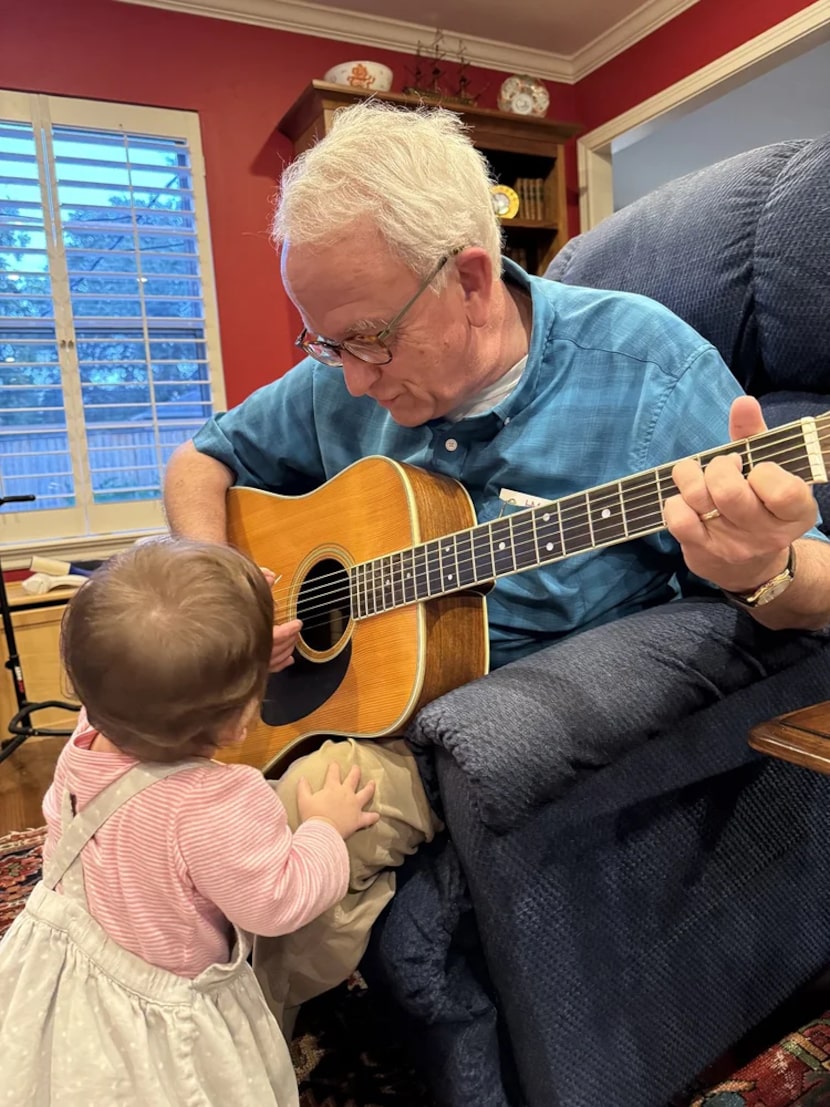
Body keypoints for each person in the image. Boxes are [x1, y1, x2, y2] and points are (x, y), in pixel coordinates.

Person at [162, 101, 830, 1018]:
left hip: (438, 729)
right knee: (126, 792)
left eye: (367, 339)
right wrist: (220, 582)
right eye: (325, 343)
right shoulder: (341, 369)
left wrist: (765, 566)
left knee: (223, 871)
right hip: (310, 693)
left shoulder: (648, 369)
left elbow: (816, 585)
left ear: (471, 280)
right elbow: (201, 456)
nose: (350, 378)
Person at [0, 539, 379, 1107]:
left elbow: (137, 672)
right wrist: (324, 827)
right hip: (164, 1017)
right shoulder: (219, 801)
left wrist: (235, 642)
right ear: (240, 724)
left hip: (65, 967)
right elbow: (276, 902)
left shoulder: (86, 737)